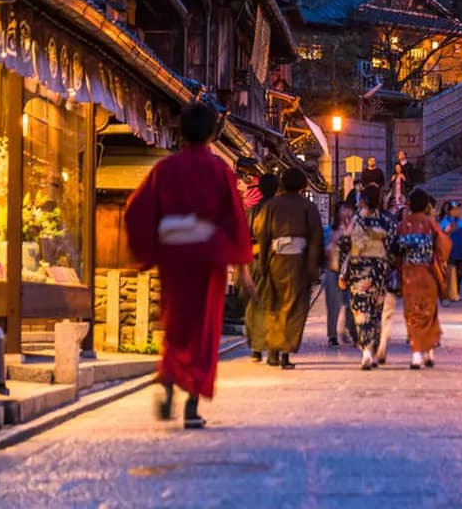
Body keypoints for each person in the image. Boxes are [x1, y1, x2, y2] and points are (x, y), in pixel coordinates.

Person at [123, 101, 252, 430]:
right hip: (207, 257)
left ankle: (167, 377)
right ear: (212, 133)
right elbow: (235, 220)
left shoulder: (164, 170)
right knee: (204, 330)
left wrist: (148, 251)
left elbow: (136, 211)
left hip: (174, 256)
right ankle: (192, 407)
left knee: (177, 323)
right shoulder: (219, 171)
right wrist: (242, 267)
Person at [257, 167, 324, 369]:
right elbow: (315, 239)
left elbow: (264, 236)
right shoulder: (308, 207)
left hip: (276, 259)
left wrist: (262, 264)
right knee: (295, 308)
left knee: (274, 306)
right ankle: (285, 353)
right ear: (303, 186)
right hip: (299, 262)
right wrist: (314, 269)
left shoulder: (271, 206)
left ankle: (273, 352)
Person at [392, 189, 451, 369]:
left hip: (410, 273)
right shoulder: (431, 225)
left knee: (412, 312)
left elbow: (395, 250)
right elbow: (443, 246)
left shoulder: (403, 226)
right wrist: (439, 264)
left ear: (409, 205)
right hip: (428, 273)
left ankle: (417, 353)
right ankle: (429, 351)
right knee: (429, 311)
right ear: (426, 206)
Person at [339, 186, 395, 370]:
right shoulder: (387, 221)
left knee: (361, 311)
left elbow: (345, 246)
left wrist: (342, 273)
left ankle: (366, 351)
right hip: (380, 269)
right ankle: (373, 346)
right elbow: (392, 247)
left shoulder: (355, 221)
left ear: (362, 200)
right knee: (376, 310)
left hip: (359, 270)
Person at [244, 173, 280, 362]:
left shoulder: (251, 212)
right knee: (275, 303)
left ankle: (256, 349)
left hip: (254, 258)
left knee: (256, 303)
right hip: (277, 259)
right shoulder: (282, 211)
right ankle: (274, 350)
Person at [324, 201, 354, 347]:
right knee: (333, 304)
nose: (347, 213)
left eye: (349, 210)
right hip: (333, 269)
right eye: (344, 210)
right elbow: (325, 248)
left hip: (351, 270)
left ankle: (349, 330)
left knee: (350, 303)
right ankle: (332, 334)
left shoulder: (356, 229)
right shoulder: (329, 230)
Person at [440, 201, 462, 300]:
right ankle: (450, 292)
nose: (457, 211)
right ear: (449, 211)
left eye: (458, 209)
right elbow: (439, 236)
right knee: (450, 272)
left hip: (461, 251)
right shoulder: (444, 223)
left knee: (459, 273)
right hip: (449, 251)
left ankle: (456, 292)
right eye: (455, 209)